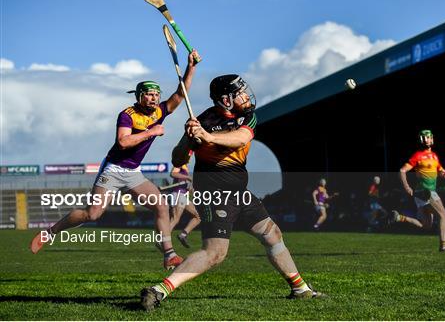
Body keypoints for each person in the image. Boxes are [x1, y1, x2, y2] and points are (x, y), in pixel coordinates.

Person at [140, 74, 324, 311]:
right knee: (215, 252)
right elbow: (177, 158)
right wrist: (189, 141)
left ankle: (300, 289)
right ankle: (158, 291)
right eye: (239, 93)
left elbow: (240, 139)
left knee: (272, 234)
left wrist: (208, 137)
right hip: (214, 192)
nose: (246, 96)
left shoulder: (247, 116)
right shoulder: (203, 120)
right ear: (226, 100)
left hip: (239, 191)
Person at [30, 51, 199, 269]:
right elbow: (123, 142)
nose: (154, 98)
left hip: (133, 173)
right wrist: (151, 132)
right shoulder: (127, 114)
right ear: (139, 96)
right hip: (113, 170)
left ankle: (168, 254)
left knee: (161, 206)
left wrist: (191, 67)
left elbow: (180, 94)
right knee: (93, 214)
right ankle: (50, 232)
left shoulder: (159, 111)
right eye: (149, 94)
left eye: (157, 94)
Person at [390, 129, 445, 251]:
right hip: (425, 191)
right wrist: (407, 187)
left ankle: (400, 218)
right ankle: (444, 246)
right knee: (443, 215)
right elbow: (402, 171)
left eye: (429, 137)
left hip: (422, 194)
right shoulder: (418, 155)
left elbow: (441, 170)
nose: (427, 139)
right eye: (425, 137)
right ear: (421, 139)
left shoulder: (434, 156)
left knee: (426, 225)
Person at [168, 163, 201, 248]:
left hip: (183, 195)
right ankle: (162, 240)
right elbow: (173, 173)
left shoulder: (185, 167)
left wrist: (190, 188)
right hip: (177, 194)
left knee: (198, 217)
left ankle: (183, 235)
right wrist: (188, 177)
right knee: (175, 219)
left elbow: (183, 183)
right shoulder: (179, 163)